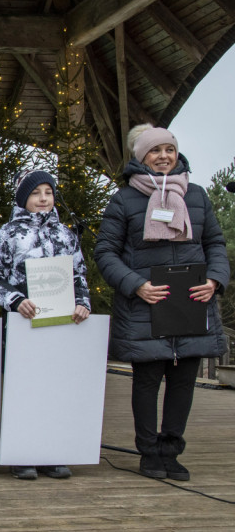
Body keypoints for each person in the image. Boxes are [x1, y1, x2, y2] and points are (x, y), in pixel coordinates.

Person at [94, 124, 228, 482]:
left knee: (184, 380)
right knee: (148, 380)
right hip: (146, 305)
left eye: (169, 149)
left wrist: (215, 280)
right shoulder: (124, 199)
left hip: (191, 300)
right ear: (141, 157)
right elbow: (105, 252)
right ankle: (149, 453)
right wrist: (136, 285)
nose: (164, 156)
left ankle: (171, 450)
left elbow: (215, 243)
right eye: (155, 151)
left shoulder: (196, 195)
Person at [0, 169, 91, 480]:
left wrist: (83, 303)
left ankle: (53, 452)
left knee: (56, 388)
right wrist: (14, 300)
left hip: (61, 324)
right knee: (24, 388)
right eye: (36, 193)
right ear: (24, 198)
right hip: (24, 323)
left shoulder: (66, 234)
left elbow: (80, 277)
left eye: (48, 192)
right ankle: (23, 454)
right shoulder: (8, 234)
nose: (43, 198)